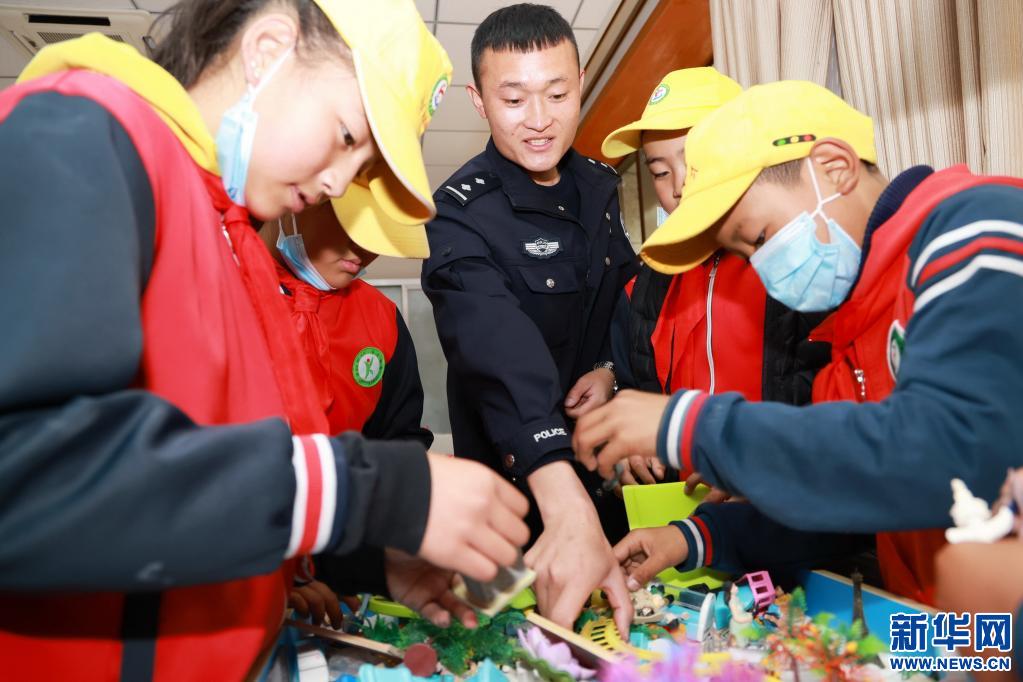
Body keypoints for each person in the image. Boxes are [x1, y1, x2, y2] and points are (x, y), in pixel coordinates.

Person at [0, 2, 529, 679]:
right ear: (268, 48)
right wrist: (369, 491)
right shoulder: (81, 134)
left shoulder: (231, 239)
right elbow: (29, 473)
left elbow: (198, 505)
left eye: (360, 165)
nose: (338, 182)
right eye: (346, 136)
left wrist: (376, 550)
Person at [575, 80, 1023, 605]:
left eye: (760, 237)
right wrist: (695, 537)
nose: (763, 269)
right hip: (943, 627)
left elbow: (960, 454)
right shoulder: (846, 345)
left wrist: (689, 425)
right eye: (745, 254)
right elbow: (847, 505)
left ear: (834, 167)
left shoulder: (975, 228)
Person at [421, 3, 637, 633]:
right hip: (511, 485)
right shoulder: (458, 213)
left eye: (558, 94)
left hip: (600, 472)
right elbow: (493, 342)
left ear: (581, 85)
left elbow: (619, 299)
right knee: (501, 641)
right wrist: (551, 470)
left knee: (621, 634)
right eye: (514, 99)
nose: (540, 120)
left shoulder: (599, 186)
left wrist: (611, 371)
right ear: (479, 101)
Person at [593, 67, 829, 492]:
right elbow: (636, 396)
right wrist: (634, 444)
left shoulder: (802, 259)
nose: (679, 186)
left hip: (790, 498)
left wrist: (758, 456)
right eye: (660, 172)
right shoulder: (643, 286)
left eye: (694, 160)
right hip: (685, 511)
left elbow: (843, 395)